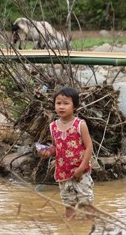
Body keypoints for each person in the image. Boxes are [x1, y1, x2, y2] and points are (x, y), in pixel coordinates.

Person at [38, 86, 95, 220]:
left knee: (87, 203)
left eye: (66, 103)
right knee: (69, 205)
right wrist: (47, 152)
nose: (61, 107)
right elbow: (56, 148)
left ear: (74, 106)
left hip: (81, 172)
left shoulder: (80, 124)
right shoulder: (53, 127)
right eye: (58, 103)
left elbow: (89, 147)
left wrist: (81, 168)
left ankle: (91, 231)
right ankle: (69, 233)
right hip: (63, 173)